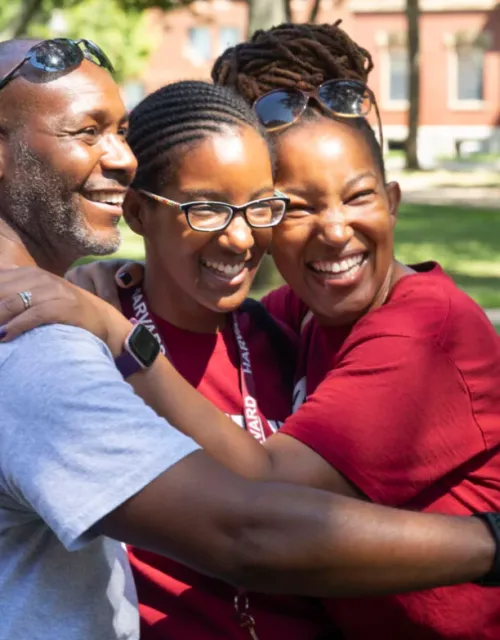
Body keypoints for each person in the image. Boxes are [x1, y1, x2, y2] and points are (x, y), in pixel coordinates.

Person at [0, 35, 498, 640]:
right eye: (207, 208)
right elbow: (239, 532)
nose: (239, 239)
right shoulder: (63, 338)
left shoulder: (381, 328)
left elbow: (263, 490)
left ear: (392, 203)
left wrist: (118, 330)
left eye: (261, 207)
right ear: (139, 214)